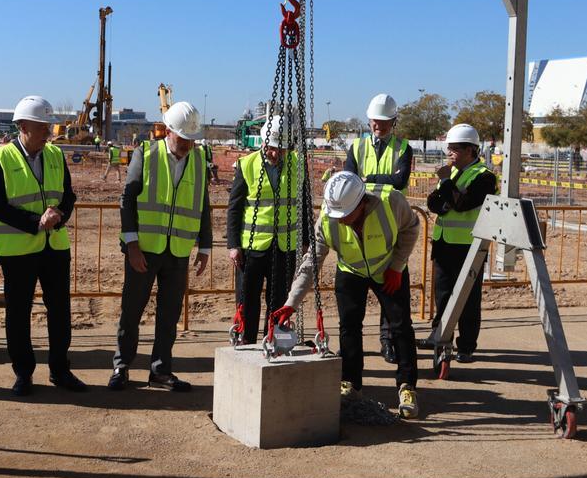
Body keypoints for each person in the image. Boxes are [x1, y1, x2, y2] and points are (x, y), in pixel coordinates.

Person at [274, 171, 422, 418]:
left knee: (400, 326)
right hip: (351, 270)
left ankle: (407, 386)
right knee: (349, 326)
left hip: (388, 269)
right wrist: (292, 303)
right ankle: (351, 383)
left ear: (362, 203)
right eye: (337, 215)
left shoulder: (391, 201)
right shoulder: (328, 218)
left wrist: (397, 265)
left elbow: (412, 228)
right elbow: (311, 262)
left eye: (346, 215)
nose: (341, 220)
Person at [0, 95, 85, 396]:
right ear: (23, 126)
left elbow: (68, 195)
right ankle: (23, 373)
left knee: (60, 311)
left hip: (55, 248)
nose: (48, 132)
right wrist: (34, 222)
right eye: (42, 126)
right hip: (19, 251)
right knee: (18, 314)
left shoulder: (55, 155)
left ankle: (60, 369)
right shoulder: (0, 158)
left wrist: (60, 214)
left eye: (48, 126)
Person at [110, 100, 211, 392]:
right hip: (144, 249)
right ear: (168, 131)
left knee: (169, 316)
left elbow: (202, 204)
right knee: (132, 311)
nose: (187, 145)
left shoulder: (198, 160)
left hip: (178, 251)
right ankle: (122, 365)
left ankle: (161, 370)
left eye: (192, 140)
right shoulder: (146, 154)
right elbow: (127, 200)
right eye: (183, 139)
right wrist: (131, 245)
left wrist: (205, 246)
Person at [344, 93, 413, 365]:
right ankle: (353, 350)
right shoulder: (357, 146)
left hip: (392, 220)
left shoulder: (403, 147)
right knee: (357, 288)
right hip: (361, 219)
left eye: (384, 122)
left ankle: (388, 340)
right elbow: (349, 178)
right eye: (375, 121)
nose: (379, 126)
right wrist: (373, 181)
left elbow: (400, 181)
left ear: (393, 122)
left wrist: (367, 179)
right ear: (369, 120)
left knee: (390, 285)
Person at [425, 123, 498, 363]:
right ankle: (439, 334)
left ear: (471, 150)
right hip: (444, 243)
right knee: (443, 294)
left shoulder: (484, 177)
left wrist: (447, 187)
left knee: (468, 297)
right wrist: (447, 195)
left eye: (455, 149)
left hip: (469, 247)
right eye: (449, 148)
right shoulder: (453, 173)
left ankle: (466, 345)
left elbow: (463, 204)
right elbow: (434, 202)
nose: (450, 153)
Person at [225, 115, 299, 345]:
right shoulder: (247, 165)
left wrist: (306, 240)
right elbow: (234, 208)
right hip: (252, 247)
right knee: (248, 300)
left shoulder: (297, 164)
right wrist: (233, 245)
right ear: (263, 142)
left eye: (282, 149)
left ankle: (274, 343)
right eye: (272, 148)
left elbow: (303, 204)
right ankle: (246, 342)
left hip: (284, 246)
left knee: (278, 301)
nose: (276, 154)